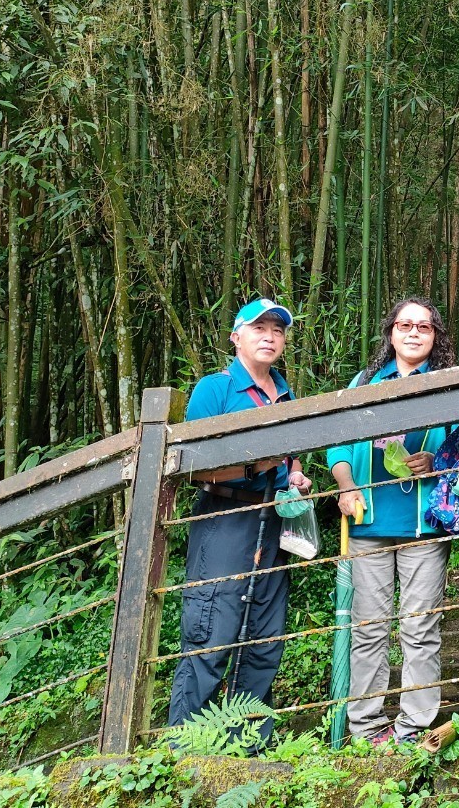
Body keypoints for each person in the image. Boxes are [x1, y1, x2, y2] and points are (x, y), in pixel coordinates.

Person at [168, 298, 312, 742]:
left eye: (278, 330)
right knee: (211, 627)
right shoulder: (215, 389)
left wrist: (294, 474)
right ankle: (187, 748)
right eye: (258, 328)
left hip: (274, 519)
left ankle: (248, 745)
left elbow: (289, 458)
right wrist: (254, 466)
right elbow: (192, 466)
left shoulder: (285, 391)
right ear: (236, 337)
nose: (270, 336)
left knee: (265, 635)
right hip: (224, 516)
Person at [327, 298, 456, 745]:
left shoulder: (446, 384)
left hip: (423, 524)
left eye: (424, 326)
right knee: (368, 629)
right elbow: (336, 443)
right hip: (368, 522)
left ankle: (415, 725)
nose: (414, 333)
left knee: (420, 627)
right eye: (405, 325)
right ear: (391, 332)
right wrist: (346, 485)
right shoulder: (365, 382)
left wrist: (435, 459)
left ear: (435, 335)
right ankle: (366, 727)